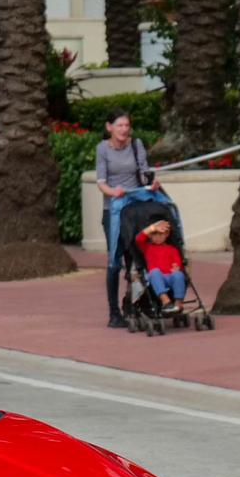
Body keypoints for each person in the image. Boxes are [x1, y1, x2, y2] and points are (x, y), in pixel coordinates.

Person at [93, 108, 153, 328]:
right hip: (114, 211)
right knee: (114, 262)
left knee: (137, 260)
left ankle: (135, 303)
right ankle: (113, 313)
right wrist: (113, 191)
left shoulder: (136, 145)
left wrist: (150, 183)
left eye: (127, 125)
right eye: (119, 125)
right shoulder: (102, 149)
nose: (124, 130)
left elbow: (144, 173)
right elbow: (101, 182)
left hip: (135, 208)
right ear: (109, 127)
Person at [133, 217, 187, 305]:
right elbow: (139, 239)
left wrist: (176, 266)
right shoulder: (147, 247)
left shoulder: (172, 249)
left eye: (161, 234)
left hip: (170, 276)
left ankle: (178, 303)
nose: (158, 237)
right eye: (155, 235)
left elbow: (177, 260)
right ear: (150, 235)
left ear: (167, 234)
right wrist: (152, 228)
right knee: (154, 272)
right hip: (157, 278)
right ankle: (165, 300)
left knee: (178, 274)